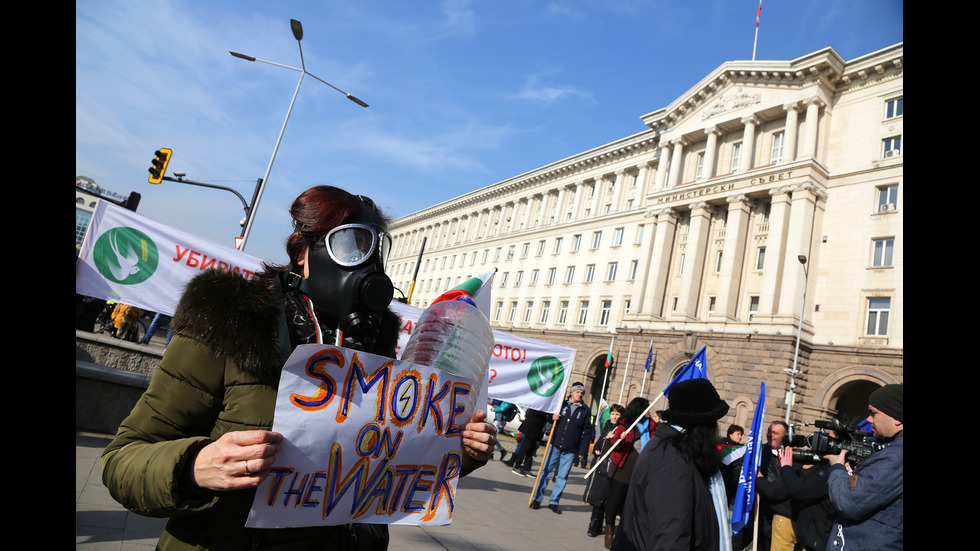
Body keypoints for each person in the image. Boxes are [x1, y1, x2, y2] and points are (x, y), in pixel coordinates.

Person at [101, 186, 498, 551]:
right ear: (303, 251)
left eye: (376, 249)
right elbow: (122, 462)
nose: (368, 264)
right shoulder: (230, 324)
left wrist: (457, 450)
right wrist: (194, 467)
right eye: (352, 244)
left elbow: (389, 467)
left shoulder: (379, 350)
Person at [611, 378, 730, 551]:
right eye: (713, 422)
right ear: (701, 426)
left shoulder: (675, 452)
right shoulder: (672, 465)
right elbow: (671, 540)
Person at [825, 383, 903, 550]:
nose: (868, 419)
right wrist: (852, 475)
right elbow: (861, 490)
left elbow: (850, 501)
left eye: (873, 413)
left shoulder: (896, 458)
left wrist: (837, 468)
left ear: (897, 418)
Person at [531, 382, 593, 514]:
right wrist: (552, 417)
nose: (580, 394)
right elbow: (549, 416)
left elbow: (587, 432)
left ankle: (554, 501)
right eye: (578, 392)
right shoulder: (562, 405)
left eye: (582, 393)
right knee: (546, 471)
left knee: (562, 476)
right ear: (571, 392)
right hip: (555, 444)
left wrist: (583, 451)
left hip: (570, 449)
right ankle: (537, 498)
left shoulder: (585, 410)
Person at [602, 398, 649, 548]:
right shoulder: (625, 424)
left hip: (638, 471)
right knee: (614, 500)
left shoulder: (650, 426)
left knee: (628, 504)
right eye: (646, 409)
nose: (649, 411)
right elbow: (614, 444)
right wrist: (620, 439)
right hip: (621, 469)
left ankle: (624, 532)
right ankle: (609, 531)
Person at [776, 447, 835, 551]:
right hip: (812, 535)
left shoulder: (832, 471)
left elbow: (800, 490)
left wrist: (786, 467)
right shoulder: (826, 469)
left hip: (821, 538)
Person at [756, 421, 796, 551]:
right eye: (769, 431)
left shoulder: (793, 456)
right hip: (760, 512)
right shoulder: (758, 453)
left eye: (775, 433)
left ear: (784, 436)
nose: (770, 435)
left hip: (781, 516)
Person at [584, 404, 623, 537]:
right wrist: (597, 448)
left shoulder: (622, 430)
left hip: (610, 469)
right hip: (599, 467)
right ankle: (594, 523)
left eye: (617, 414)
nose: (614, 416)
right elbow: (599, 443)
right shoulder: (607, 426)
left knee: (605, 499)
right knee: (596, 498)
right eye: (613, 413)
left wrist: (615, 438)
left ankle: (598, 524)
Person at [506, 407, 548, 476]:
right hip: (531, 428)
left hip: (537, 429)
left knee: (531, 450)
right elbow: (535, 411)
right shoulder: (539, 404)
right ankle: (517, 466)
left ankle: (527, 468)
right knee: (525, 448)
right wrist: (547, 412)